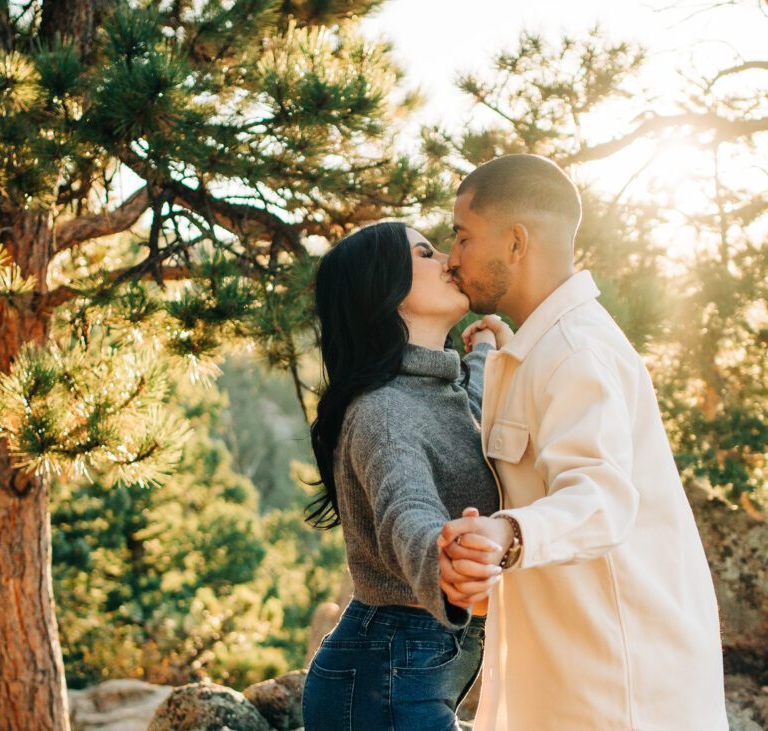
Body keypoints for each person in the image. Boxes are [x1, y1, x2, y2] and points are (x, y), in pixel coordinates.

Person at [437, 155, 729, 730]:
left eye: (464, 238)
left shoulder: (576, 353)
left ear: (517, 243)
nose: (452, 258)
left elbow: (600, 495)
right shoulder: (543, 349)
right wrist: (503, 353)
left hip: (616, 684)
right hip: (564, 673)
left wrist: (506, 533)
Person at [301, 221, 502, 730]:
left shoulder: (437, 390)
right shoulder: (383, 412)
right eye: (426, 252)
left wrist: (486, 353)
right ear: (384, 288)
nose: (449, 261)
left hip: (404, 670)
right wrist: (441, 560)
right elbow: (404, 506)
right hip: (380, 680)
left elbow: (469, 413)